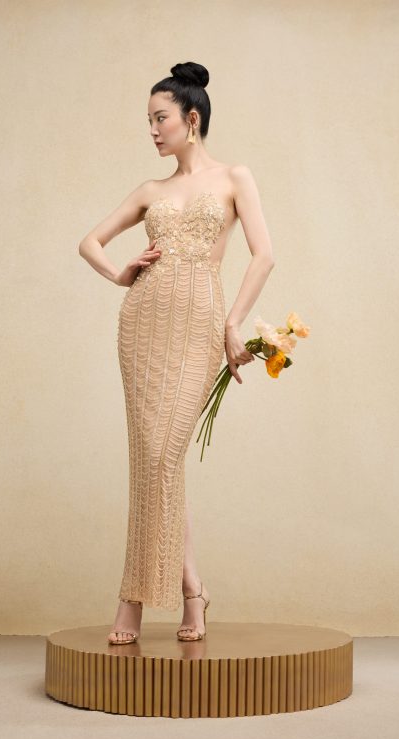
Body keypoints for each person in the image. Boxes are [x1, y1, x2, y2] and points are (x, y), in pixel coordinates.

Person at [78, 61, 275, 644]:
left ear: (191, 119)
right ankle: (187, 591)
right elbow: (90, 242)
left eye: (159, 118)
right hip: (142, 325)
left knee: (162, 455)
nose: (152, 130)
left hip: (198, 324)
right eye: (148, 120)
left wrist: (233, 324)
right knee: (153, 458)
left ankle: (138, 598)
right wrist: (120, 273)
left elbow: (264, 255)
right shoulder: (151, 191)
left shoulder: (235, 177)